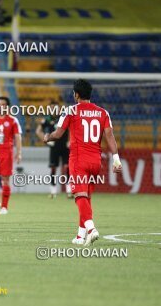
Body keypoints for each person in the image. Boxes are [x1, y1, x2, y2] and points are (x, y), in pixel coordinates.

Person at [44, 79, 122, 246]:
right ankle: (80, 236)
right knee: (86, 198)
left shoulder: (71, 110)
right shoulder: (103, 113)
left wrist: (47, 137)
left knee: (79, 196)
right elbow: (110, 137)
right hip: (96, 161)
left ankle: (91, 229)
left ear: (76, 94)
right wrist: (116, 159)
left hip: (79, 160)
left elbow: (58, 134)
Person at [35, 99, 72, 199]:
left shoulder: (64, 117)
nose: (53, 110)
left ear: (59, 108)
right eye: (51, 108)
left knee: (67, 168)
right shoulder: (47, 119)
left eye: (55, 107)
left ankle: (69, 191)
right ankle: (53, 191)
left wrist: (70, 141)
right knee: (53, 168)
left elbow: (71, 128)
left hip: (65, 146)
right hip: (54, 147)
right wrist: (46, 139)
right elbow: (38, 131)